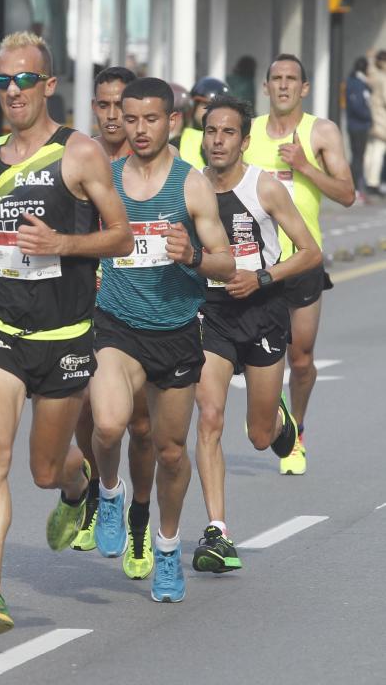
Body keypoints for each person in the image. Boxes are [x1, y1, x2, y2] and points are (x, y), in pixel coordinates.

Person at [0, 31, 133, 635]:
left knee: (46, 470)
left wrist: (62, 244)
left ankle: (80, 489)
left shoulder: (79, 153)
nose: (13, 92)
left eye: (25, 80)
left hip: (65, 335)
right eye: (3, 82)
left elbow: (122, 236)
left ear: (48, 84)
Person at [89, 77, 235, 603]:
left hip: (175, 331)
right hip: (117, 326)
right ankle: (109, 493)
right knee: (108, 424)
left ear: (172, 121)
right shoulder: (104, 179)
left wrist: (191, 255)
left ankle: (167, 545)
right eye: (131, 119)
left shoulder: (191, 184)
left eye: (151, 119)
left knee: (171, 453)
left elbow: (226, 259)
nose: (140, 129)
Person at [192, 95, 321, 573]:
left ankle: (280, 425)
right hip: (212, 314)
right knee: (208, 415)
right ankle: (217, 530)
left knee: (259, 436)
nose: (218, 140)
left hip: (263, 311)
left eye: (228, 133)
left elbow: (309, 252)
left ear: (244, 141)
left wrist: (263, 277)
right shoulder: (191, 186)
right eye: (211, 131)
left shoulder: (263, 187)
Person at [244, 54, 355, 475]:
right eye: (276, 78)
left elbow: (346, 193)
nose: (284, 85)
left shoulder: (320, 132)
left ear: (304, 88)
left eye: (292, 79)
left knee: (302, 358)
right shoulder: (247, 132)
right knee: (253, 353)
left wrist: (306, 166)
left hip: (303, 258)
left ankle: (297, 430)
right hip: (256, 261)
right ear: (266, 86)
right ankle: (268, 411)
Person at [70, 66, 157, 581]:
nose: (111, 115)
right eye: (103, 105)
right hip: (88, 310)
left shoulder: (150, 168)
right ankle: (101, 493)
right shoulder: (77, 161)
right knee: (92, 416)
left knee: (143, 427)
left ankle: (140, 522)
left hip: (146, 315)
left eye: (119, 106)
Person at [179, 77, 230, 170]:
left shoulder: (229, 140)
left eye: (216, 107)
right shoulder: (178, 139)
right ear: (193, 105)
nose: (210, 112)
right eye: (206, 106)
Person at [345, 56, 372, 200]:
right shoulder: (355, 82)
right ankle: (355, 187)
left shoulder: (361, 81)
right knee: (357, 157)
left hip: (359, 124)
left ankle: (357, 185)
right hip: (358, 125)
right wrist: (368, 117)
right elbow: (357, 105)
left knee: (358, 157)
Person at [365, 50, 386, 196]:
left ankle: (367, 180)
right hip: (381, 119)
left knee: (370, 150)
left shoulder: (372, 75)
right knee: (378, 150)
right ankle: (373, 182)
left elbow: (370, 68)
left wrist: (371, 58)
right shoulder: (383, 78)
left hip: (370, 117)